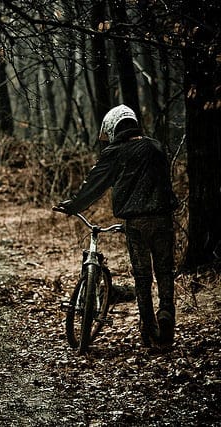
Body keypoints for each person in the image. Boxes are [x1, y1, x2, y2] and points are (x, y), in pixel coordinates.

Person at [54, 104, 178, 348]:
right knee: (165, 271)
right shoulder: (156, 146)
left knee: (143, 277)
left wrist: (73, 206)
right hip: (164, 218)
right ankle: (166, 315)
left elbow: (96, 184)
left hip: (136, 222)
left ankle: (150, 333)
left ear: (112, 128)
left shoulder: (117, 151)